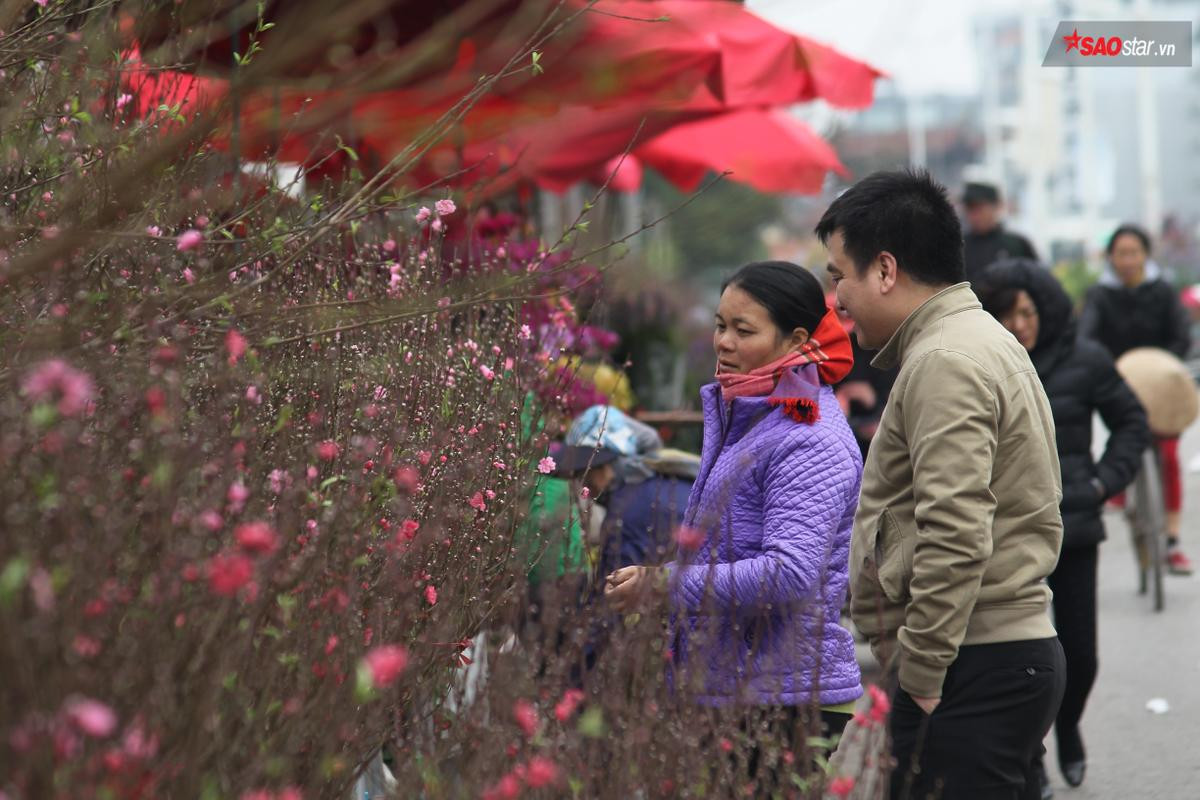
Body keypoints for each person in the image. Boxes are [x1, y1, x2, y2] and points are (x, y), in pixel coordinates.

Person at [818, 169, 1066, 799]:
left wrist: (923, 672)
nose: (837, 298)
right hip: (985, 657)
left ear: (884, 269)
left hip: (969, 662)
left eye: (838, 274)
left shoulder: (943, 361)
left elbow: (955, 529)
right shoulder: (969, 340)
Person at [604, 260, 864, 785]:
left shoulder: (806, 436)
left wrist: (665, 587)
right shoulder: (753, 415)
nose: (723, 342)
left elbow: (789, 573)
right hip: (735, 684)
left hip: (779, 696)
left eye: (743, 331)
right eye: (721, 325)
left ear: (794, 340)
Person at [976, 259, 1150, 797]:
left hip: (1073, 524)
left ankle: (1069, 725)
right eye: (1006, 315)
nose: (1019, 325)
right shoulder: (981, 364)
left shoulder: (1085, 359)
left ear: (1045, 310)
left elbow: (1132, 421)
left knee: (1081, 653)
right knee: (1022, 660)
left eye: (1027, 312)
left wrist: (1103, 483)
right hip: (1006, 536)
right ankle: (1033, 757)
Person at [1079, 223, 1194, 574]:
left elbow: (1181, 336)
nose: (1128, 260)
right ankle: (1119, 488)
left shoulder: (1161, 291)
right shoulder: (1100, 295)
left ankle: (1172, 540)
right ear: (1111, 258)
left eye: (1134, 252)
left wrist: (1161, 365)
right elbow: (1088, 336)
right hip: (1119, 384)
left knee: (1170, 457)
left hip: (1161, 383)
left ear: (1145, 255)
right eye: (1121, 253)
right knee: (1121, 441)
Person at [961, 181, 1038, 285]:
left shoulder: (1017, 244)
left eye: (980, 208)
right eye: (970, 209)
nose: (975, 215)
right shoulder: (960, 247)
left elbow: (1037, 280)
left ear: (996, 206)